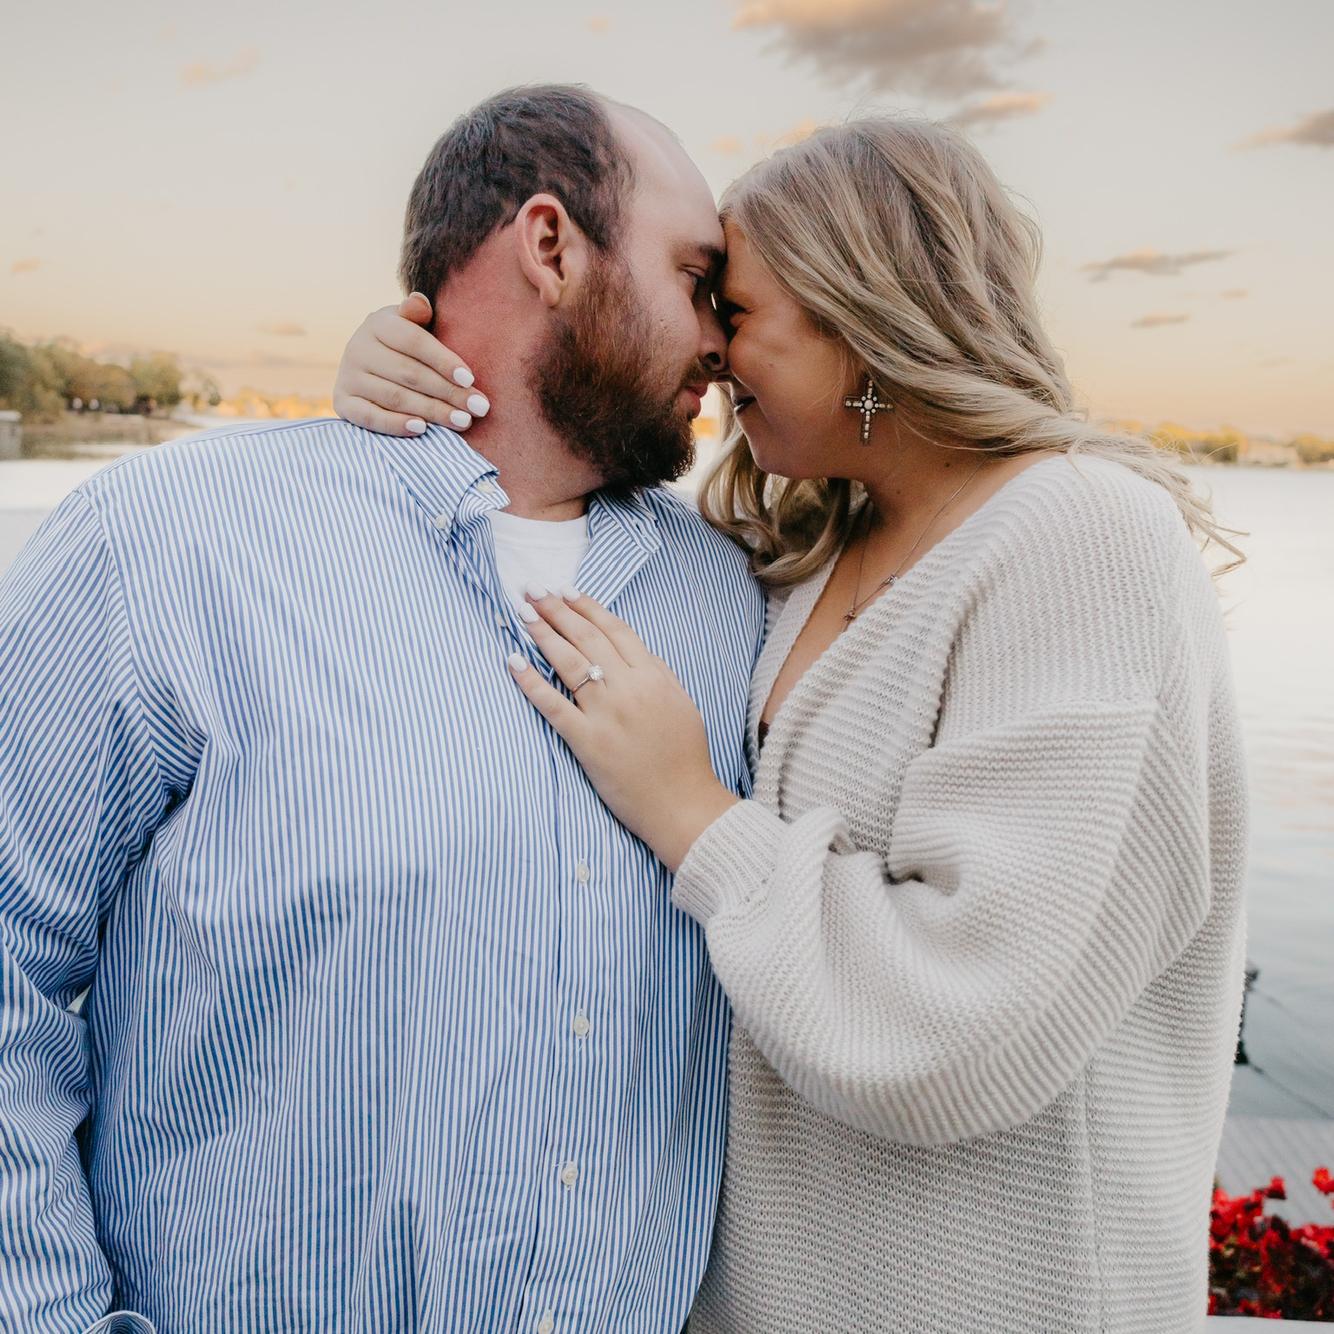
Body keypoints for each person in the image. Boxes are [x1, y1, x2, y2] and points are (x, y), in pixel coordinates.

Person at [337, 111, 1249, 1331]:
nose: (709, 352)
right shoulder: (811, 550)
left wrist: (691, 812)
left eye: (733, 307)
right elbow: (548, 467)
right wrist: (412, 366)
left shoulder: (1080, 539)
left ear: (856, 314)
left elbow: (961, 1025)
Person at [0, 86, 763, 1332]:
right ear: (550, 245)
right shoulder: (169, 543)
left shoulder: (734, 602)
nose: (720, 341)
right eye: (693, 280)